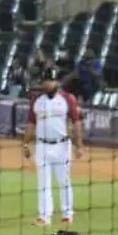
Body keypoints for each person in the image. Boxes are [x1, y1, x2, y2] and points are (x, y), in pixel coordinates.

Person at [23, 74, 82, 226]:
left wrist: (78, 145)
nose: (47, 84)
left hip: (62, 145)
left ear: (56, 82)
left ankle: (67, 213)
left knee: (64, 180)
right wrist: (25, 143)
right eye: (45, 81)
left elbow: (76, 122)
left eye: (50, 81)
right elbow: (30, 123)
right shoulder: (37, 100)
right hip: (41, 146)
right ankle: (44, 216)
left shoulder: (67, 99)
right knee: (43, 183)